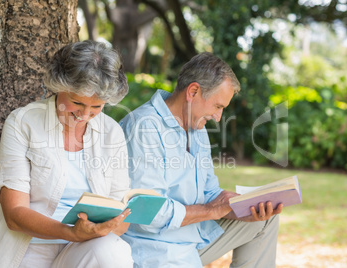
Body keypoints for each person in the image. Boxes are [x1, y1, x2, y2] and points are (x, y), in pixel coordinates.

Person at [0, 40, 133, 268]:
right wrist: (71, 232)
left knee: (114, 252)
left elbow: (121, 213)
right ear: (59, 86)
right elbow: (15, 213)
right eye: (77, 102)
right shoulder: (23, 122)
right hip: (27, 245)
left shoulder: (111, 132)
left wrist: (103, 227)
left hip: (81, 249)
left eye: (97, 107)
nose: (85, 115)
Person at [119, 52, 283, 268]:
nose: (218, 117)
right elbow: (147, 212)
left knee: (264, 219)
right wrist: (211, 211)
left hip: (192, 237)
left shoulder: (196, 129)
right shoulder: (144, 127)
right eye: (218, 106)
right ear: (193, 91)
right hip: (154, 249)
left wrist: (243, 208)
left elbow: (209, 193)